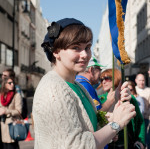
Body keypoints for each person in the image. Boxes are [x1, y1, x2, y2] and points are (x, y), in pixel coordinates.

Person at [32, 18, 136, 149]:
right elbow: (76, 145)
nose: (85, 55)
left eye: (87, 47)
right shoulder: (53, 88)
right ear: (56, 51)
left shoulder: (77, 86)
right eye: (76, 48)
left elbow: (88, 128)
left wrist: (114, 115)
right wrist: (116, 124)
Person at [99, 69, 145, 149]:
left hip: (128, 144)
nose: (103, 82)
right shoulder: (100, 99)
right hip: (108, 146)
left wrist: (141, 141)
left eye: (106, 78)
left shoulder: (129, 98)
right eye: (101, 79)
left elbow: (140, 120)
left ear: (115, 78)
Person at [0, 77, 22, 149]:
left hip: (12, 125)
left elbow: (19, 111)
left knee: (12, 146)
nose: (12, 84)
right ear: (5, 84)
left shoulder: (16, 95)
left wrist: (6, 111)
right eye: (10, 83)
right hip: (3, 126)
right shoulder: (1, 96)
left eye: (13, 83)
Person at [135, 73, 150, 149]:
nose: (141, 82)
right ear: (136, 80)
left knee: (145, 137)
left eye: (143, 80)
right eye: (140, 80)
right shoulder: (133, 89)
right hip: (135, 118)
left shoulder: (148, 91)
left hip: (145, 118)